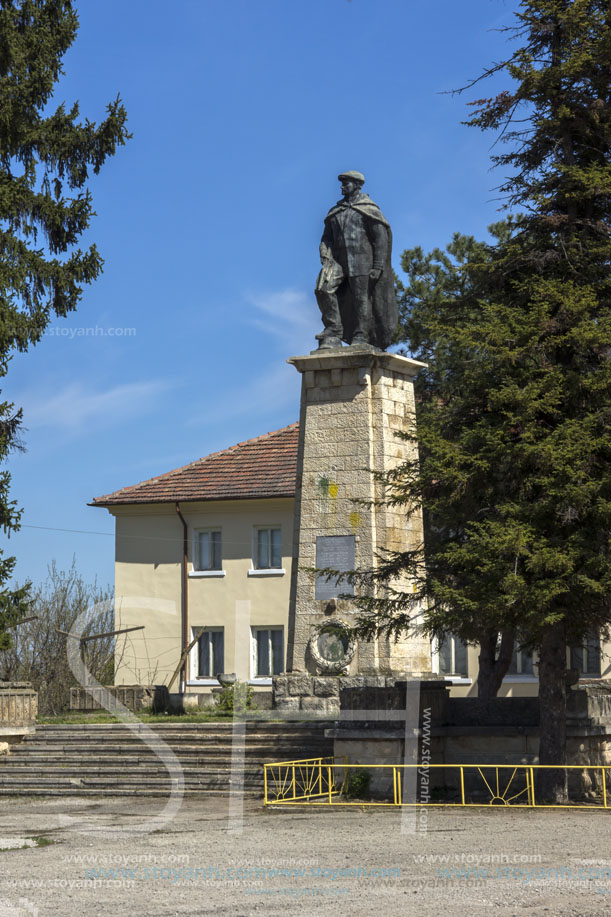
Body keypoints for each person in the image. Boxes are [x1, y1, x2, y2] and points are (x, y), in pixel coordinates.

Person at [314, 171, 397, 351]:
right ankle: (333, 329)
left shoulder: (369, 209)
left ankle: (362, 335)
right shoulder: (336, 211)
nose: (342, 186)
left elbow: (380, 239)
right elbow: (326, 237)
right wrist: (324, 251)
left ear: (357, 185)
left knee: (361, 298)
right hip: (337, 261)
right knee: (323, 289)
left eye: (346, 183)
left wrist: (377, 266)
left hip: (362, 262)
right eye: (342, 183)